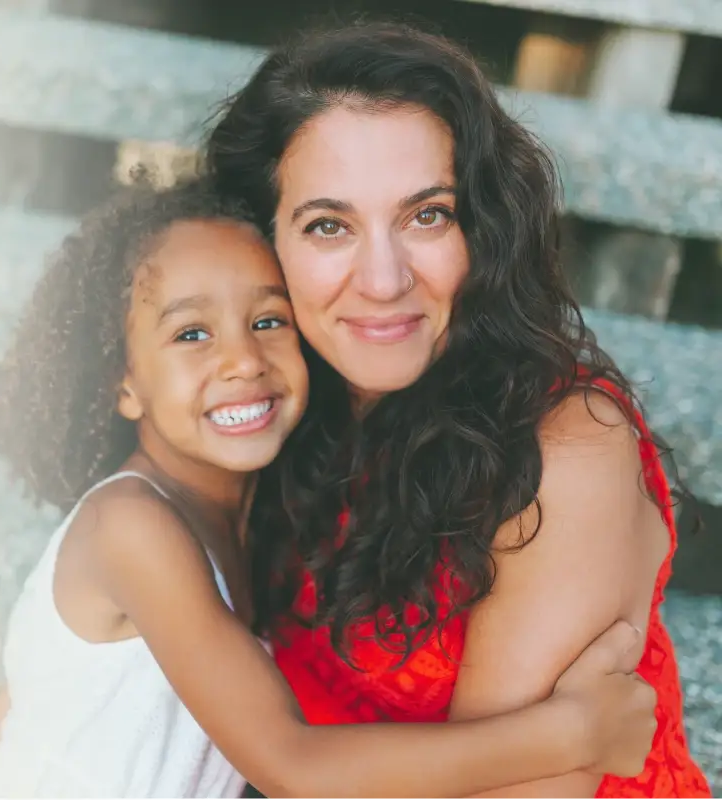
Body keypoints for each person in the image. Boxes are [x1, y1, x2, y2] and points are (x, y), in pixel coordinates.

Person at [0, 176, 657, 800]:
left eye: (267, 321)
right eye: (191, 334)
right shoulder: (132, 525)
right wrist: (572, 733)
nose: (243, 360)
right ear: (122, 383)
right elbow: (290, 764)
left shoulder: (254, 506)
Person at [203, 22, 710, 799]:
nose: (383, 280)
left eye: (427, 215)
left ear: (485, 226)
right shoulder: (273, 397)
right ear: (260, 240)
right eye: (329, 225)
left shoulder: (566, 452)